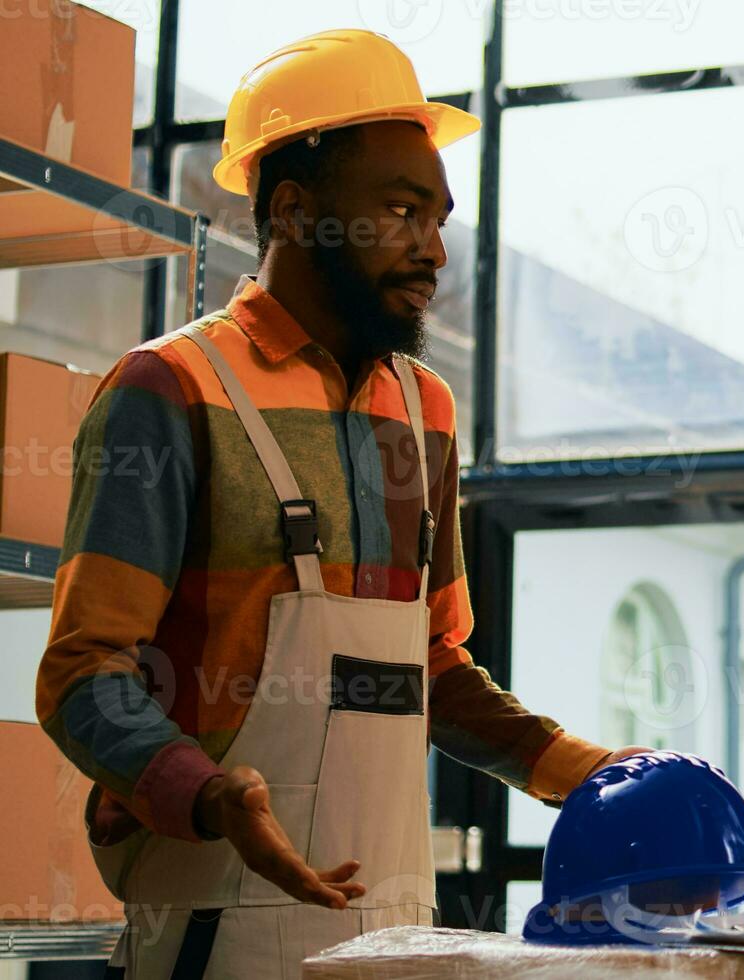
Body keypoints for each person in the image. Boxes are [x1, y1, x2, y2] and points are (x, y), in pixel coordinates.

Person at [35, 31, 645, 978]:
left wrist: (579, 770)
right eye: (401, 212)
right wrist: (209, 794)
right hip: (213, 926)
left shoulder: (425, 409)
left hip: (395, 928)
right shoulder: (170, 390)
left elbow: (426, 666)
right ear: (294, 210)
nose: (433, 249)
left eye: (439, 217)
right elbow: (81, 676)